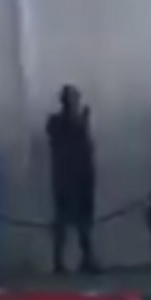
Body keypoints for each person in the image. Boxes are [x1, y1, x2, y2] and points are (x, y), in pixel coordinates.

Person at [47, 84, 99, 273]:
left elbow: (87, 147)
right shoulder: (55, 122)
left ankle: (87, 257)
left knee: (84, 220)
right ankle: (58, 261)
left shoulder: (81, 120)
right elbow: (62, 138)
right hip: (64, 177)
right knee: (62, 221)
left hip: (82, 175)